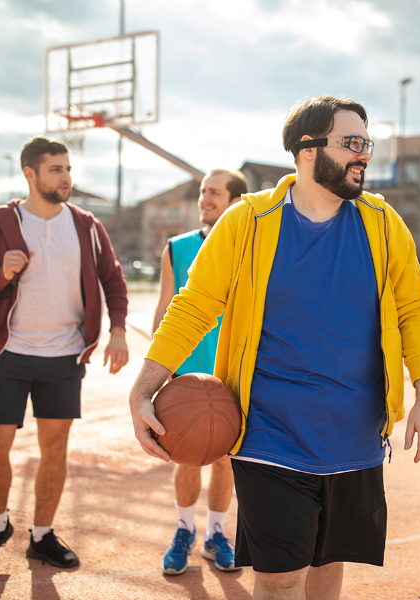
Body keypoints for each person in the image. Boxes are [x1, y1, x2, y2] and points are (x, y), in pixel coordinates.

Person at [130, 96, 420, 599]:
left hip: (355, 438)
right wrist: (144, 387)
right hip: (268, 436)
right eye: (351, 144)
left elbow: (414, 311)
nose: (363, 155)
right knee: (278, 582)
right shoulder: (248, 220)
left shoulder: (383, 224)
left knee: (327, 568)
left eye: (366, 143)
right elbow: (193, 305)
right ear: (306, 149)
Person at [0, 136, 129, 574]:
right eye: (56, 170)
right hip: (6, 352)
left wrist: (118, 331)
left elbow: (114, 279)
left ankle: (42, 535)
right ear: (30, 174)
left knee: (55, 449)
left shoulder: (86, 225)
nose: (66, 177)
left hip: (65, 356)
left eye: (68, 169)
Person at [151, 168, 247, 575]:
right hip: (187, 374)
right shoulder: (176, 247)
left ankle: (218, 535)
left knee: (226, 460)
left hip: (231, 374)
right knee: (187, 457)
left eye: (215, 193)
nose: (205, 199)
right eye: (203, 192)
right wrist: (158, 372)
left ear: (235, 202)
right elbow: (163, 309)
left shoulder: (249, 249)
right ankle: (184, 530)